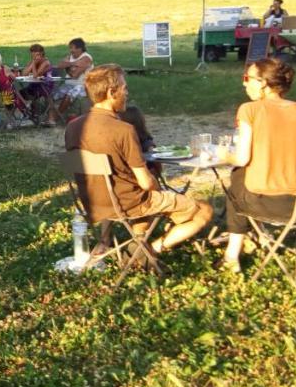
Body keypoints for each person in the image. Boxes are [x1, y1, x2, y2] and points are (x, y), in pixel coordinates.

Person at [65, 65, 212, 262]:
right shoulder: (123, 130)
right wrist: (160, 189)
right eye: (124, 88)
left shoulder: (73, 127)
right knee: (204, 210)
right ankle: (152, 249)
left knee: (141, 195)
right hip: (129, 204)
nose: (127, 93)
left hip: (93, 203)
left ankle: (137, 240)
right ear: (111, 92)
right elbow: (146, 184)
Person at [219, 57, 296, 271]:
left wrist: (222, 155)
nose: (244, 83)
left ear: (263, 83)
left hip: (265, 204)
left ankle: (232, 255)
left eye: (247, 78)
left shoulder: (250, 109)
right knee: (240, 181)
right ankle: (258, 238)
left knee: (237, 181)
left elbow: (242, 158)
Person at [48, 37, 94, 125]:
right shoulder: (71, 56)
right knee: (52, 95)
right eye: (70, 48)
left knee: (69, 95)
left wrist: (67, 66)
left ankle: (55, 117)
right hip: (68, 84)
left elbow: (75, 75)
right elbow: (60, 65)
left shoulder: (86, 58)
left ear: (79, 48)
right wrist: (73, 64)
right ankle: (50, 116)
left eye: (72, 48)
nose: (70, 50)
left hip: (82, 85)